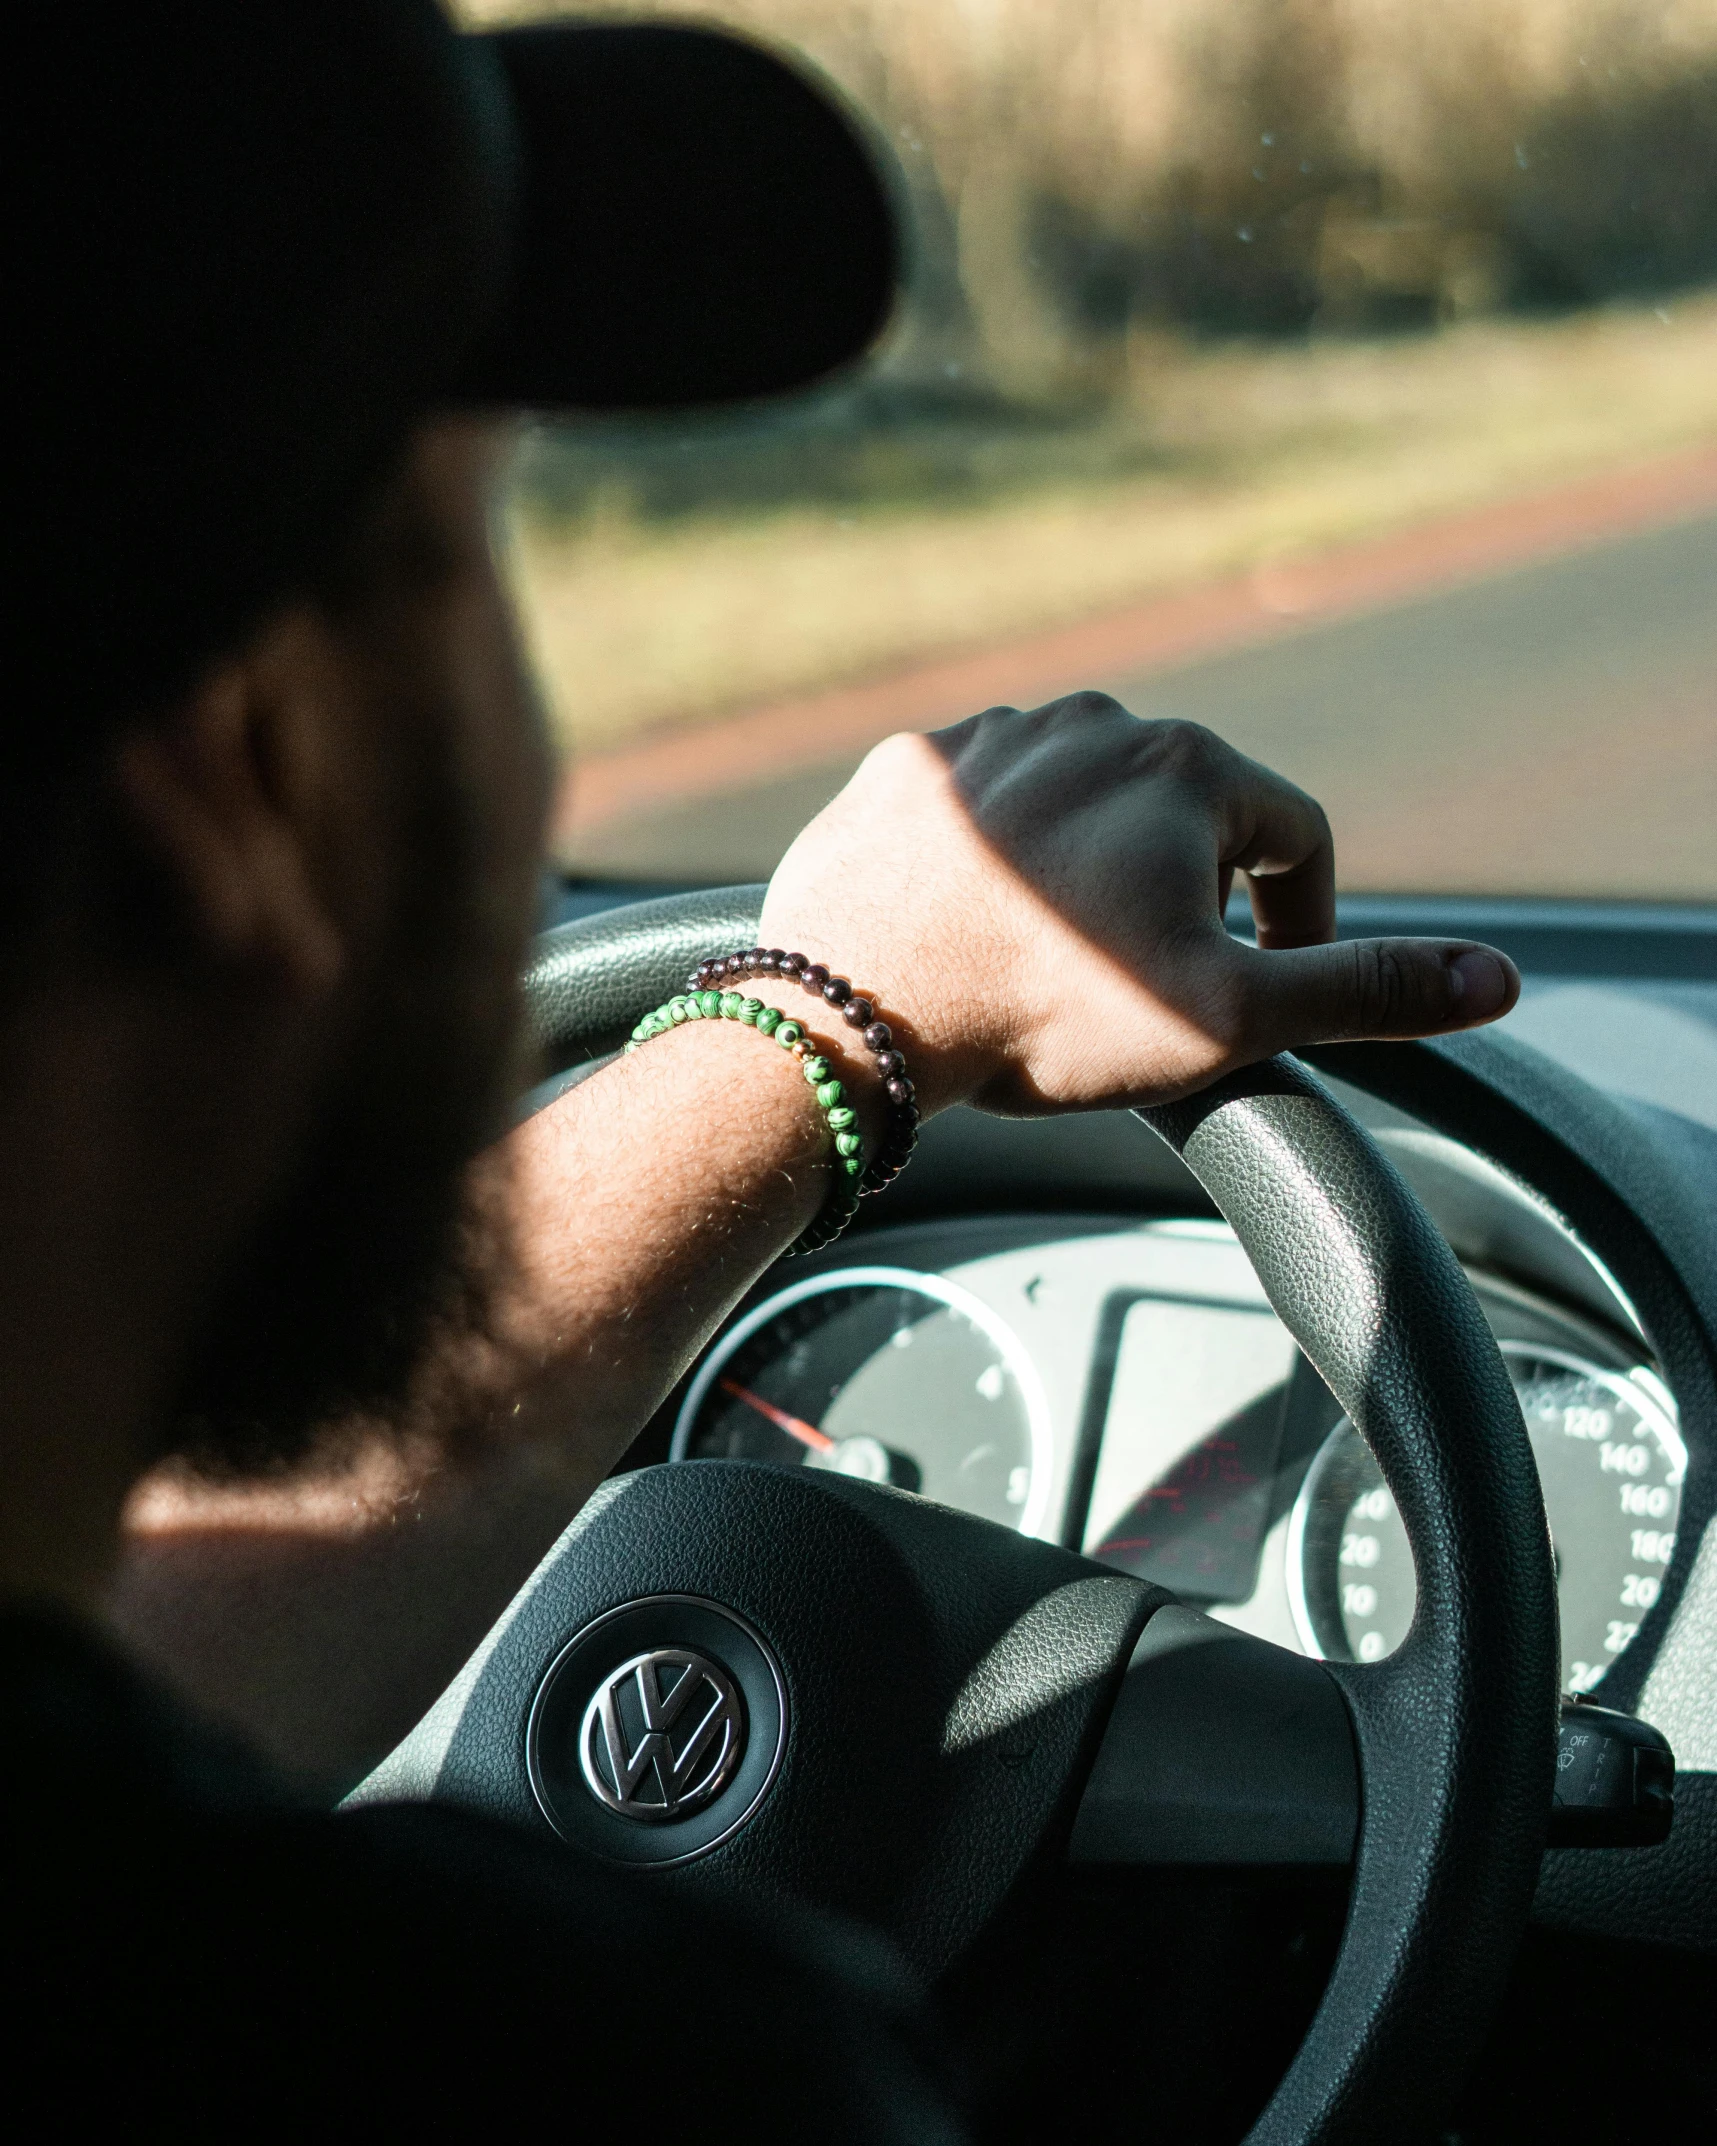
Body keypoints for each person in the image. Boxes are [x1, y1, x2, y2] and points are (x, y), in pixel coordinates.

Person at [6, 1, 1521, 2130]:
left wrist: (834, 1019)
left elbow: (143, 1629)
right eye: (467, 559)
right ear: (252, 772)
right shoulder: (569, 2065)